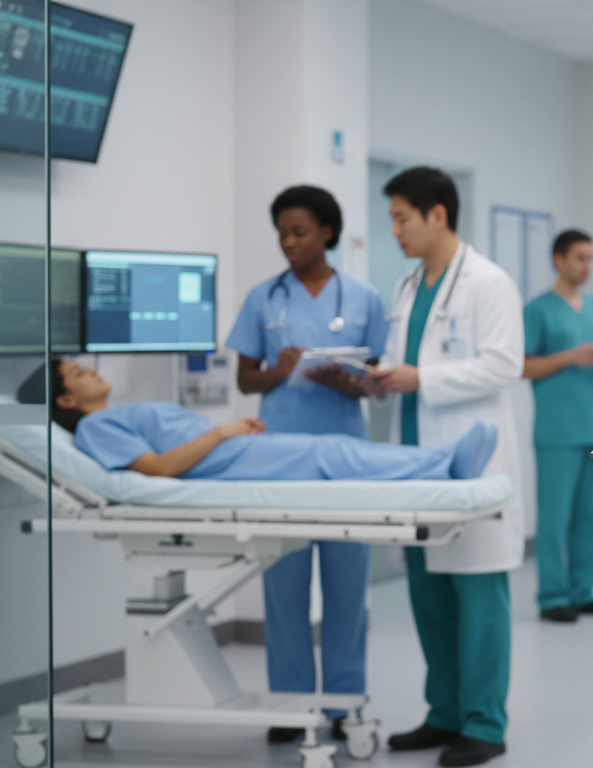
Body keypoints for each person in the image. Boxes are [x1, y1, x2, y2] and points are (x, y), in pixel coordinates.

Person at [362, 167, 523, 767]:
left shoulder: (488, 282)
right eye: (393, 219)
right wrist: (378, 378)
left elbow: (505, 365)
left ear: (437, 215)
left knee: (478, 595)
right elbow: (403, 362)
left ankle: (484, 723)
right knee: (428, 593)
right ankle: (445, 713)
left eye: (402, 217)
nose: (396, 230)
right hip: (417, 460)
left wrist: (421, 378)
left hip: (472, 465)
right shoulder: (406, 287)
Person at [225, 185, 390, 743]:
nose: (288, 242)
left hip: (345, 454)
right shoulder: (262, 298)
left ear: (326, 232)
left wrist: (347, 380)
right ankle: (290, 702)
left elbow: (379, 382)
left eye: (299, 231)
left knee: (348, 588)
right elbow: (245, 377)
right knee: (284, 586)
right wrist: (279, 370)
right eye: (282, 233)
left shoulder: (364, 297)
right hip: (280, 459)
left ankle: (344, 700)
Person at [21, 360, 497, 482]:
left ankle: (441, 462)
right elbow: (160, 469)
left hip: (232, 449)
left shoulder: (118, 414)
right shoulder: (93, 428)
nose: (94, 370)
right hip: (226, 459)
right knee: (330, 454)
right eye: (80, 373)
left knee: (331, 450)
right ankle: (442, 464)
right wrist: (223, 432)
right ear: (65, 399)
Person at [522, 229, 593, 623]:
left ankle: (583, 591)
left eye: (591, 258)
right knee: (554, 518)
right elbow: (523, 365)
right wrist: (568, 357)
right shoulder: (538, 310)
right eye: (580, 258)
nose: (587, 266)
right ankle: (552, 597)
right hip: (557, 432)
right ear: (559, 260)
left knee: (591, 516)